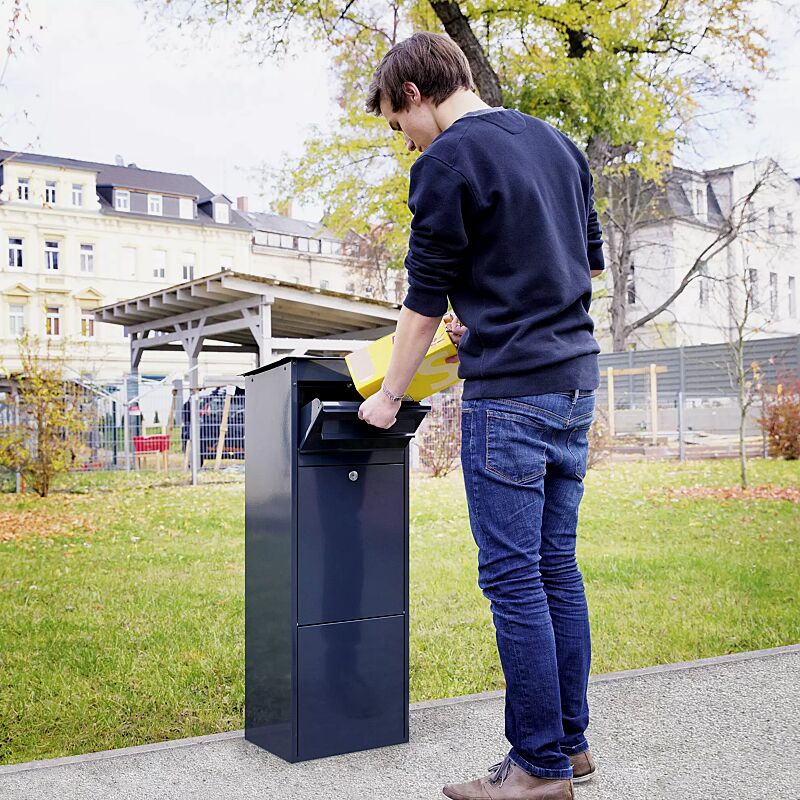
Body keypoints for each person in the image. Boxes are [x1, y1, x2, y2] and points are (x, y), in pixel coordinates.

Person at [357, 30, 604, 800]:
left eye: (400, 126)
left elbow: (423, 299)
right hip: (574, 387)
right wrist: (493, 310)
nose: (406, 144)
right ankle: (571, 748)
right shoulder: (558, 144)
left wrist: (389, 395)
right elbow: (584, 262)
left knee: (513, 579)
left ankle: (536, 769)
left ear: (414, 96)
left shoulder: (446, 163)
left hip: (514, 401)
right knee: (555, 566)